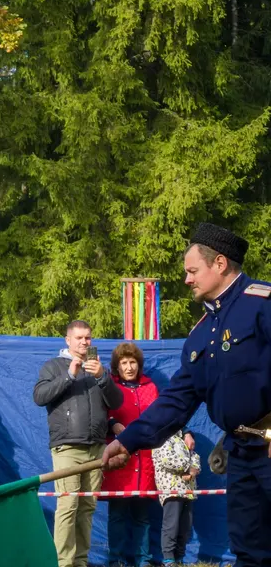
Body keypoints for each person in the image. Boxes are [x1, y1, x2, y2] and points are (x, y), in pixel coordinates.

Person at [103, 223, 271, 567]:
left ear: (219, 264)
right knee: (250, 552)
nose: (186, 279)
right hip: (242, 454)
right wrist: (127, 441)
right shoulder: (201, 333)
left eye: (193, 271)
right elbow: (177, 399)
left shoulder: (262, 304)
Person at [34, 320, 122, 567]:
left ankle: (81, 562)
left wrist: (103, 377)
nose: (84, 342)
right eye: (79, 338)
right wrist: (69, 375)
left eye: (88, 338)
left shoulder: (98, 369)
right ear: (68, 340)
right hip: (67, 447)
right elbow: (39, 397)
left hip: (96, 446)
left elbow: (116, 402)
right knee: (68, 505)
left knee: (87, 507)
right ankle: (63, 563)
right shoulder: (53, 366)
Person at [102, 343, 159, 567]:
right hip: (119, 459)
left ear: (139, 364)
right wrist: (112, 423)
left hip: (144, 460)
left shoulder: (150, 387)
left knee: (142, 516)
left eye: (132, 362)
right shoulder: (110, 387)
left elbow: (162, 417)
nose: (129, 367)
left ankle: (144, 560)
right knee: (117, 514)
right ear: (117, 366)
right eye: (124, 362)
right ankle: (116, 560)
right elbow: (100, 415)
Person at [152, 429, 200, 567]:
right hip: (171, 490)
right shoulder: (161, 438)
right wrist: (188, 468)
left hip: (188, 491)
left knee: (185, 527)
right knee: (171, 526)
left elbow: (195, 457)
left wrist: (193, 471)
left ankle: (179, 558)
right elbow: (167, 460)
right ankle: (168, 559)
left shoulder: (183, 439)